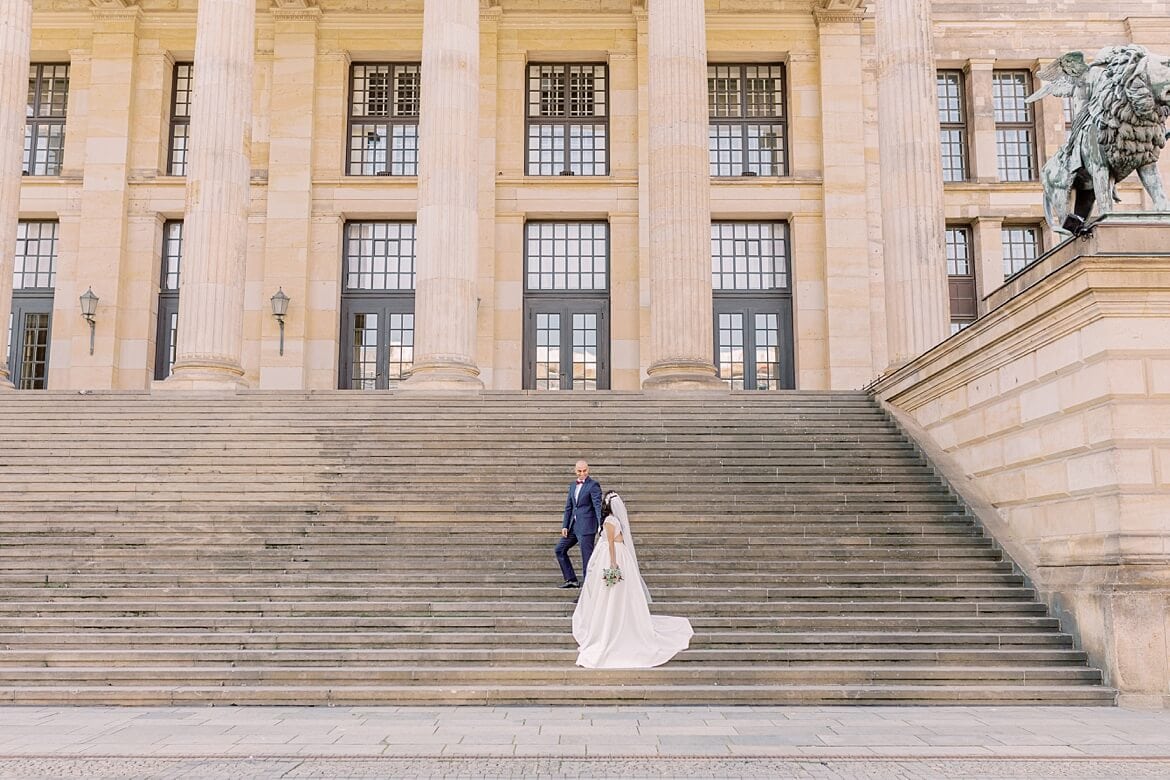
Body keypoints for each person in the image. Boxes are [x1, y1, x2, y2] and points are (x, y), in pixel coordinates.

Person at [572, 490, 693, 668]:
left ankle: (608, 623)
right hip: (622, 556)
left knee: (608, 591)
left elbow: (611, 544)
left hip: (612, 557)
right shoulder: (617, 521)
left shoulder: (609, 521)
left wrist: (612, 564)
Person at [555, 460, 602, 589]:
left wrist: (600, 524)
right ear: (575, 471)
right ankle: (571, 579)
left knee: (587, 559)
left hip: (587, 527)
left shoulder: (593, 485)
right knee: (559, 549)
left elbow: (598, 506)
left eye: (584, 471)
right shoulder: (572, 485)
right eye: (579, 471)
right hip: (573, 526)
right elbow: (569, 507)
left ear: (588, 470)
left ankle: (588, 590)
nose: (582, 474)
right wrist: (565, 525)